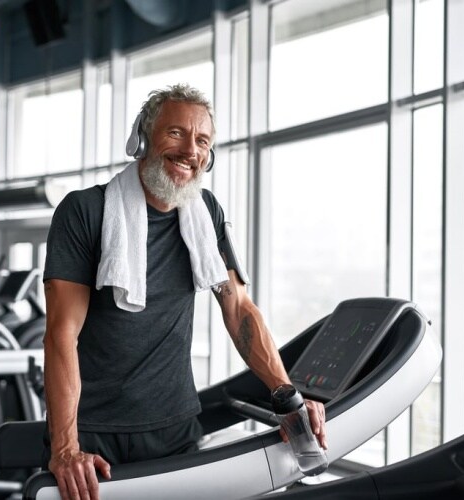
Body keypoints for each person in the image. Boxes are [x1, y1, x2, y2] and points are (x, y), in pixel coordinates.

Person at [42, 83, 327, 500]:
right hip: (94, 434)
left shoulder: (206, 213)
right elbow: (61, 333)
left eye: (202, 140)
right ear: (142, 138)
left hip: (175, 431)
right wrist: (65, 447)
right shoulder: (85, 210)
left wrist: (289, 401)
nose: (190, 149)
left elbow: (240, 311)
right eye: (176, 133)